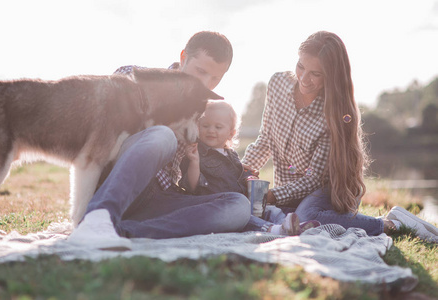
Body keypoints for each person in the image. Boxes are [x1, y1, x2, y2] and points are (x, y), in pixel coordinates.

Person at [241, 31, 438, 242]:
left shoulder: (333, 113)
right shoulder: (277, 83)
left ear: (331, 75)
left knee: (305, 216)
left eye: (315, 73)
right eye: (301, 66)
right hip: (290, 191)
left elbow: (314, 180)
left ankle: (391, 223)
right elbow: (266, 138)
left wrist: (272, 196)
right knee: (282, 218)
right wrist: (241, 170)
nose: (303, 78)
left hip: (327, 189)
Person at [68, 31, 251, 250]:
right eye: (200, 71)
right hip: (117, 182)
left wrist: (235, 170)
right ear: (183, 58)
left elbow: (199, 169)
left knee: (239, 206)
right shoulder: (134, 76)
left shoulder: (203, 112)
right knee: (162, 135)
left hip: (159, 198)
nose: (206, 83)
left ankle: (124, 231)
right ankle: (100, 216)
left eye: (215, 78)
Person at [179, 100, 320, 236]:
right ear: (197, 126)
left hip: (244, 202)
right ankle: (274, 230)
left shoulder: (231, 154)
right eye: (205, 125)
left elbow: (238, 175)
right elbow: (192, 187)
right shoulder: (195, 153)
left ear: (231, 133)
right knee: (246, 218)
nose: (211, 130)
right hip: (222, 208)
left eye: (218, 127)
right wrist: (194, 162)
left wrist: (248, 178)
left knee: (270, 210)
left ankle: (290, 224)